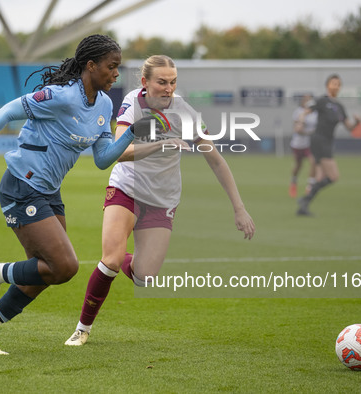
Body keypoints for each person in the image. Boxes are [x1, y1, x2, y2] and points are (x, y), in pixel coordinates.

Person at [0, 34, 146, 355]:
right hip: (22, 186)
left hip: (49, 192)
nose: (116, 74)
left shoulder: (104, 104)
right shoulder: (60, 96)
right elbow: (6, 113)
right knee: (64, 266)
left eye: (117, 67)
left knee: (48, 271)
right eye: (112, 67)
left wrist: (134, 132)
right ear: (91, 66)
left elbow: (103, 158)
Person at [64, 55, 256, 346]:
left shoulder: (185, 113)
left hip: (162, 200)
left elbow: (215, 160)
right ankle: (82, 329)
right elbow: (120, 150)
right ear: (145, 83)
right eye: (162, 82)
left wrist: (239, 208)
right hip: (127, 188)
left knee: (144, 277)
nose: (169, 88)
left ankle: (121, 260)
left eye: (173, 82)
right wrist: (160, 144)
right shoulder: (133, 102)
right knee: (111, 260)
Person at [296, 74, 361, 216]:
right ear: (327, 85)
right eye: (333, 83)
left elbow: (349, 127)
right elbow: (305, 112)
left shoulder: (339, 107)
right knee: (333, 176)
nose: (335, 86)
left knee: (320, 177)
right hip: (319, 140)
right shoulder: (322, 101)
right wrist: (300, 122)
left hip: (327, 142)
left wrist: (357, 122)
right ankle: (304, 200)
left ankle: (303, 206)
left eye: (338, 84)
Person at [289, 95, 318, 198]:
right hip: (298, 143)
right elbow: (297, 129)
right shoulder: (299, 112)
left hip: (309, 144)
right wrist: (308, 132)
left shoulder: (315, 113)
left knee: (313, 162)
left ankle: (310, 187)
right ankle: (293, 182)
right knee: (298, 165)